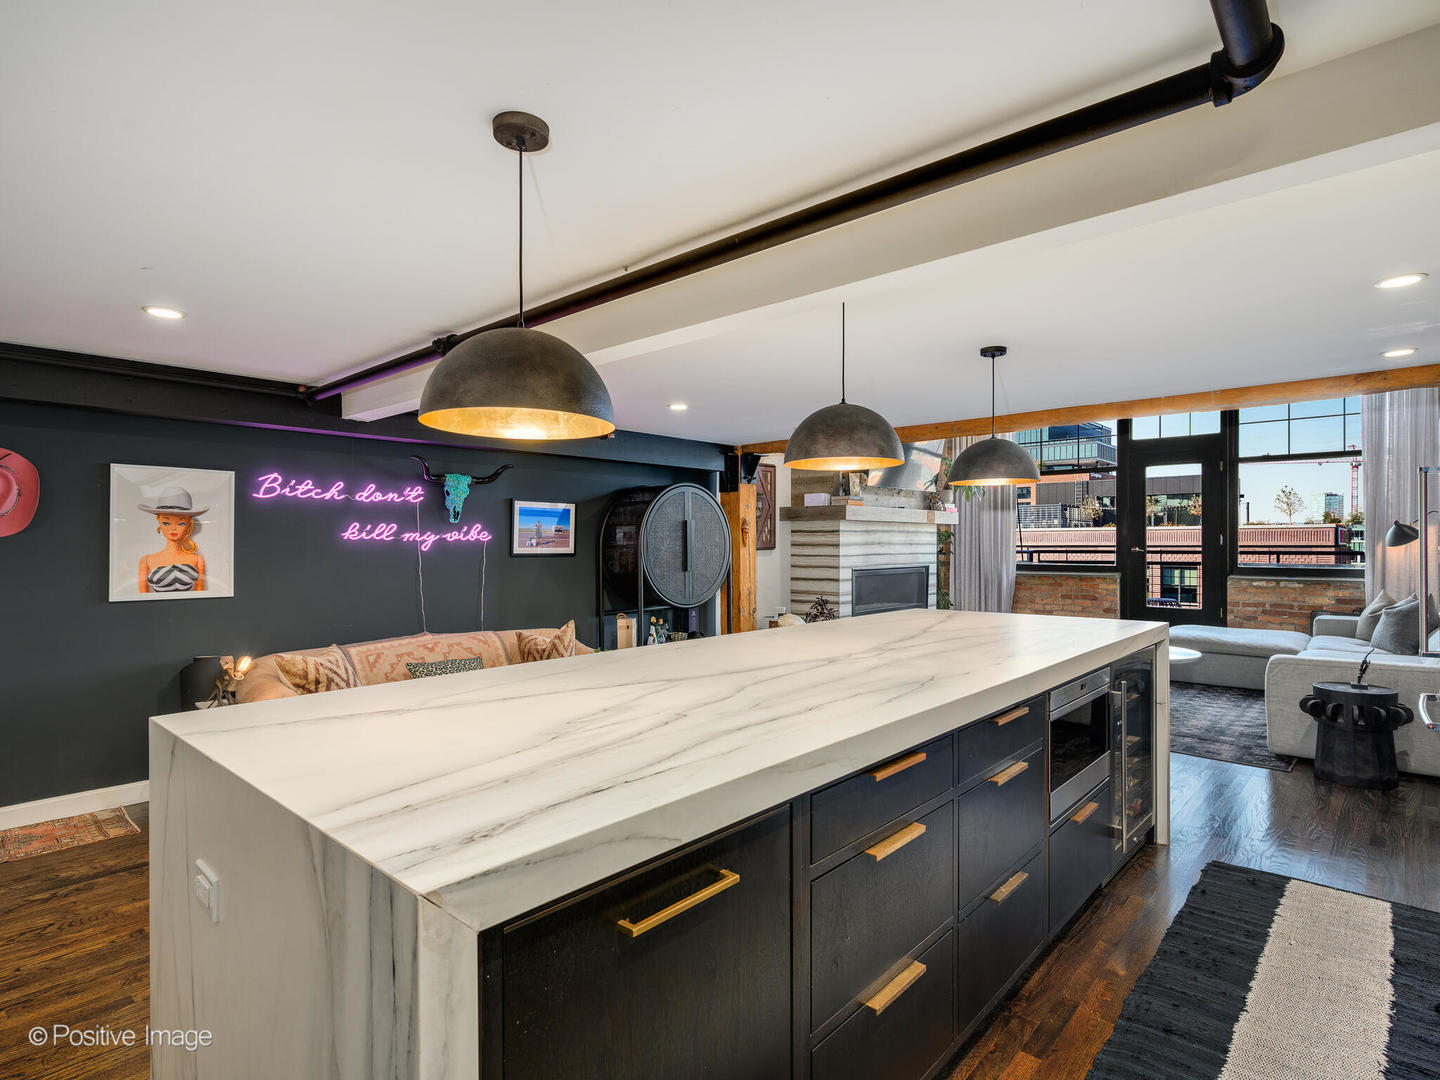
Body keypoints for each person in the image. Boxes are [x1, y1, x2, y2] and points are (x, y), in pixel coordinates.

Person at [137, 487, 207, 593]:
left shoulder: (197, 560)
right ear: (159, 522)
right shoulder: (146, 561)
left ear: (188, 525)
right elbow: (142, 597)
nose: (173, 528)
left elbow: (200, 595)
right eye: (166, 523)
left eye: (181, 523)